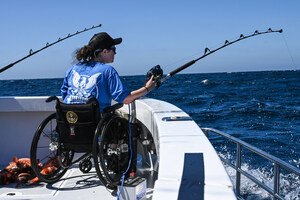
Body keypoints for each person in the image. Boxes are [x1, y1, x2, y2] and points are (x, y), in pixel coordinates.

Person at [61, 32, 156, 111]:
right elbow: (126, 99)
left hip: (70, 120)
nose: (115, 53)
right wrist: (147, 88)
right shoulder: (108, 71)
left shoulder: (72, 69)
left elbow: (64, 94)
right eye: (113, 49)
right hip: (94, 123)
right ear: (104, 51)